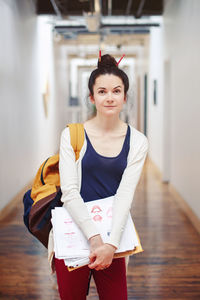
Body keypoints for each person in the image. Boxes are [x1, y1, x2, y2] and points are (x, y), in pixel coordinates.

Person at [48, 53, 148, 300]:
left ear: (125, 97)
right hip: (74, 232)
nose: (110, 97)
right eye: (102, 91)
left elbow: (125, 195)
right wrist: (95, 240)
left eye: (116, 91)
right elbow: (70, 193)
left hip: (113, 236)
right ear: (92, 97)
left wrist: (110, 246)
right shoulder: (72, 135)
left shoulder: (137, 141)